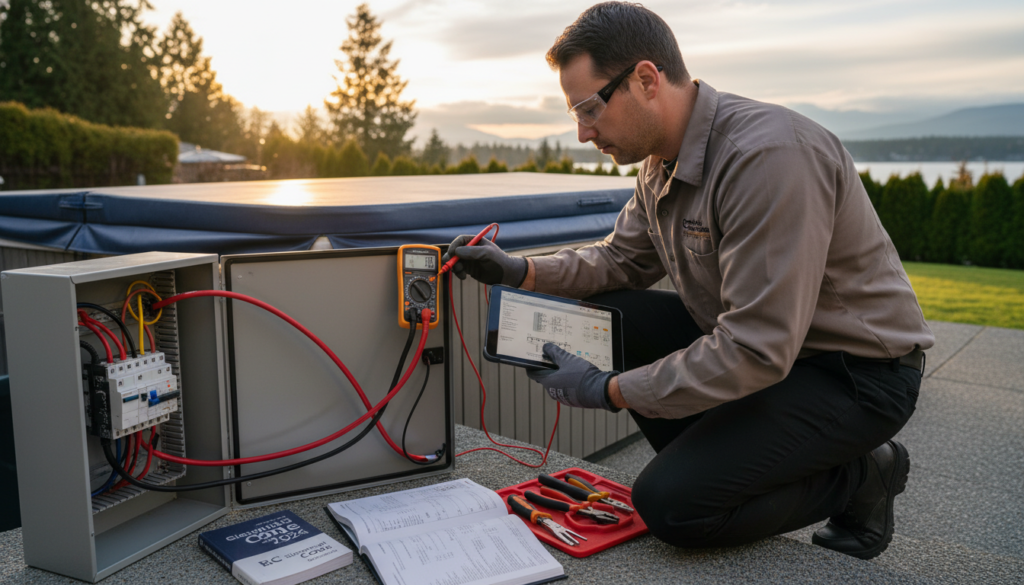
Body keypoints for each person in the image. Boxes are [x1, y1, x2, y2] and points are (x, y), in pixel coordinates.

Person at [442, 1, 933, 560]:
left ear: (646, 80)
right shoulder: (661, 161)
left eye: (588, 108)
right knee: (622, 312)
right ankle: (727, 462)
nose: (582, 133)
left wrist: (611, 391)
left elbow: (756, 347)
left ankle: (866, 473)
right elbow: (620, 260)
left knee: (673, 507)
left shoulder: (766, 158)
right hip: (775, 358)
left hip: (855, 374)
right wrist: (521, 269)